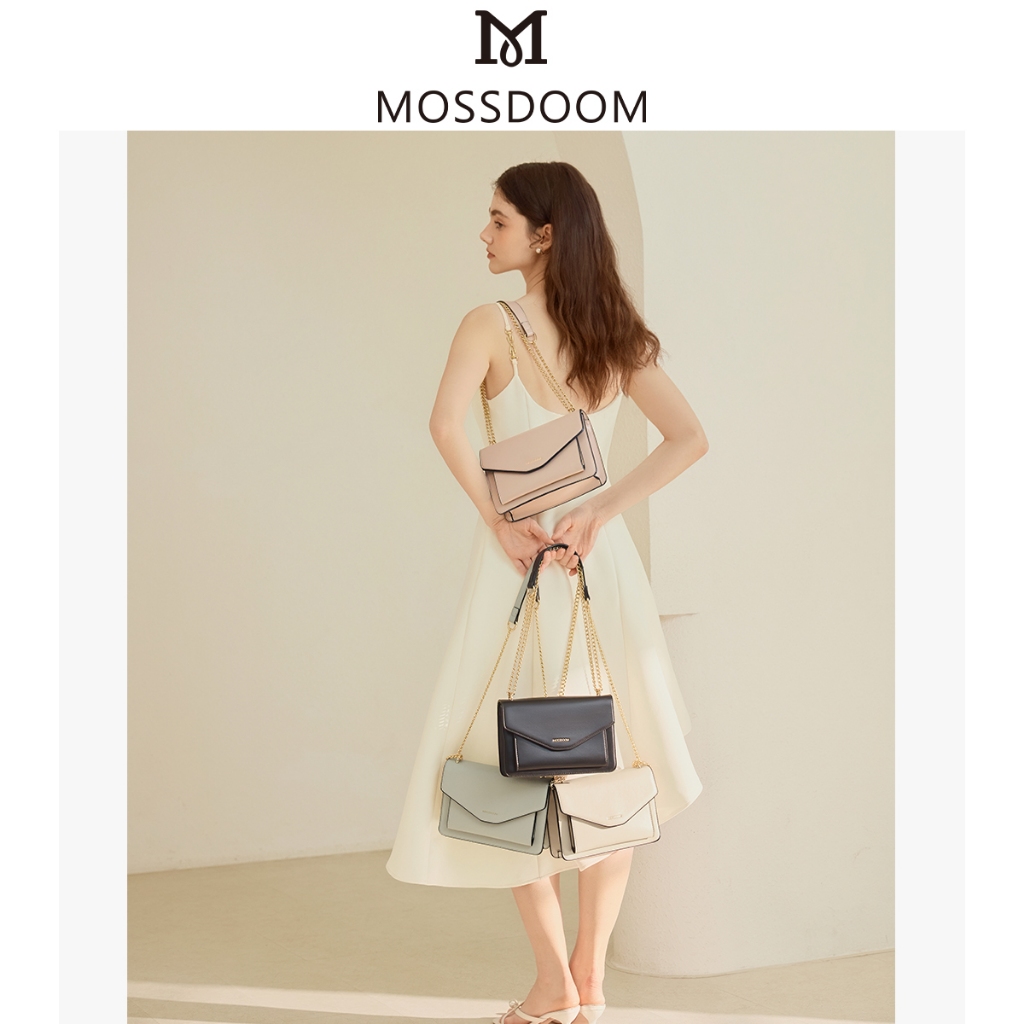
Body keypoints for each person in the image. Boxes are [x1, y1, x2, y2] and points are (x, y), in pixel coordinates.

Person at [386, 162, 708, 1024]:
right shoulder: (614, 332)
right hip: (600, 567)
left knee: (511, 769)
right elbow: (689, 437)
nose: (483, 234)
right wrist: (601, 509)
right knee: (613, 770)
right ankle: (589, 980)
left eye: (498, 220)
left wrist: (500, 519)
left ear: (544, 235)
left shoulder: (487, 325)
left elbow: (444, 425)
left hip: (520, 564)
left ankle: (553, 984)